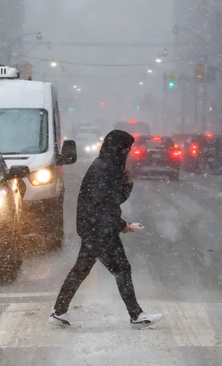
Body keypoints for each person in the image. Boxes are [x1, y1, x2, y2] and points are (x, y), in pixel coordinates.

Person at [48, 129, 162, 328]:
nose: (128, 153)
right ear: (117, 148)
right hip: (97, 229)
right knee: (120, 269)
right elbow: (103, 205)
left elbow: (114, 199)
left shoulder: (106, 166)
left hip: (95, 227)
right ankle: (136, 315)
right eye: (126, 149)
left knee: (83, 269)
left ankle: (59, 311)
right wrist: (120, 225)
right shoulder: (104, 169)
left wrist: (126, 183)